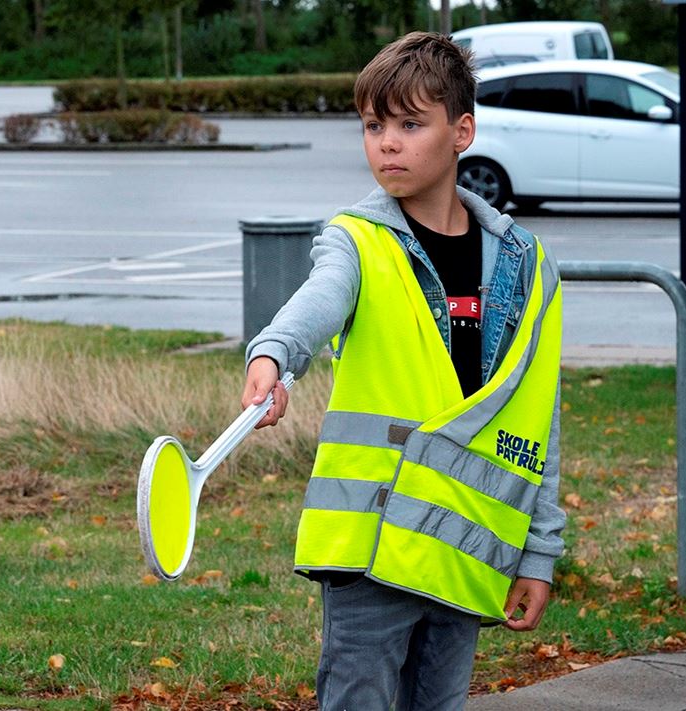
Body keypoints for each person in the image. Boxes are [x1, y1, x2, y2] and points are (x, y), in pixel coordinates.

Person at [240, 31, 566, 711]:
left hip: (462, 555)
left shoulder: (528, 267)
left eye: (411, 124)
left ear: (462, 131)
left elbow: (539, 419)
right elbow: (319, 299)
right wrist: (273, 354)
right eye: (373, 125)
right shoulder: (356, 239)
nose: (387, 143)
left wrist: (538, 553)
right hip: (369, 547)